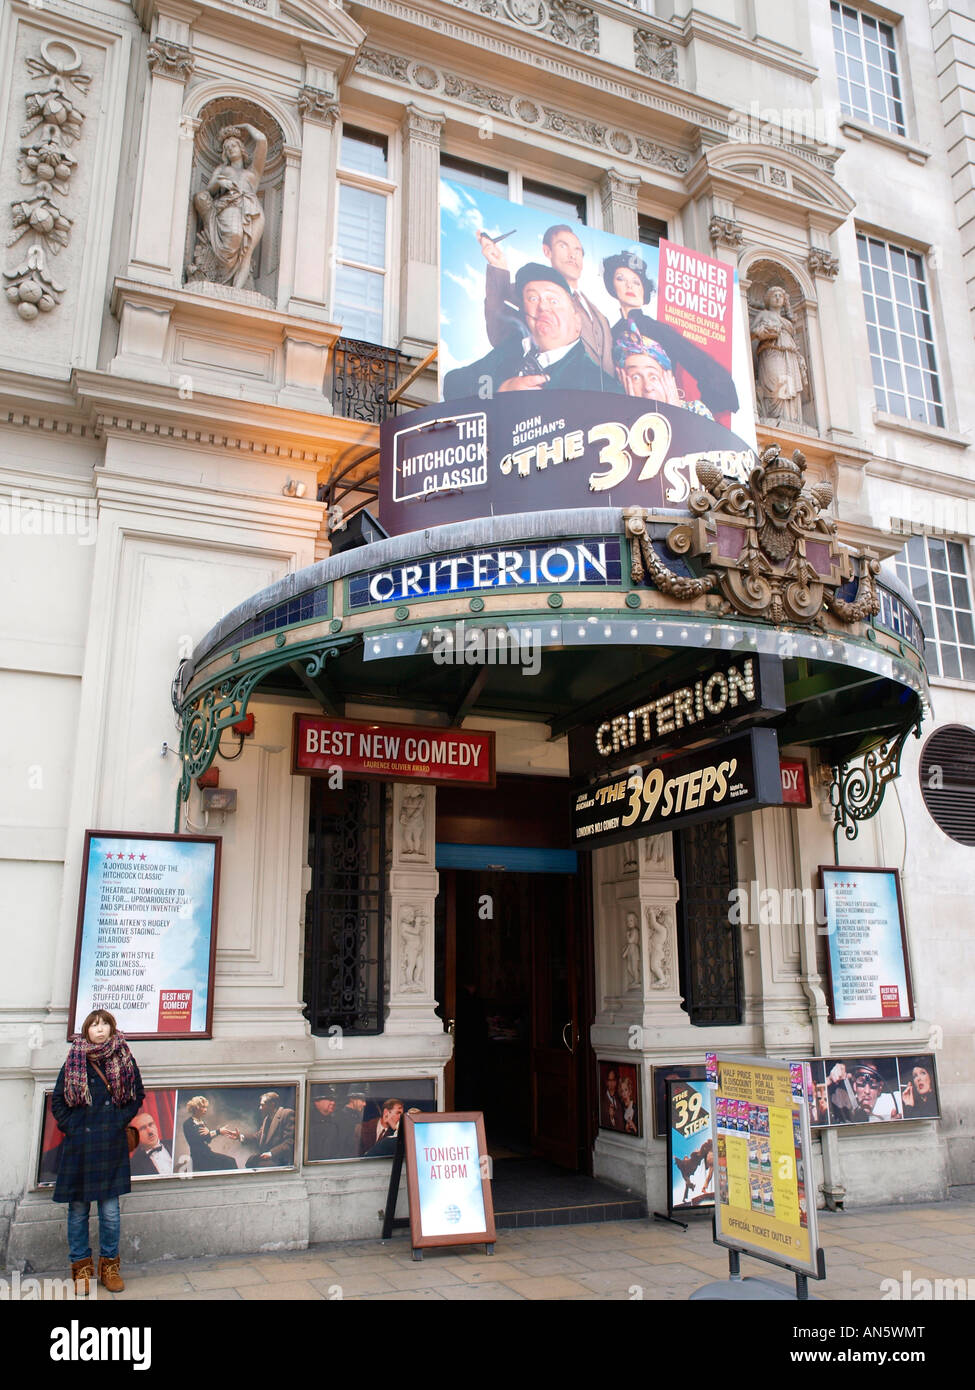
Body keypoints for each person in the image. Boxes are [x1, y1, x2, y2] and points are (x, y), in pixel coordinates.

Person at [50, 1009, 145, 1294]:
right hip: (81, 1146)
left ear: (112, 1029)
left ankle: (110, 1267)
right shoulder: (75, 1059)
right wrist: (75, 1128)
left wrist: (116, 1122)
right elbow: (58, 1102)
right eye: (94, 1025)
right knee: (78, 1210)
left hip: (109, 1144)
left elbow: (136, 1095)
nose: (100, 1029)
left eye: (104, 1024)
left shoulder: (124, 1058)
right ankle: (81, 1268)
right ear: (86, 1030)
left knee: (111, 1212)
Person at [443, 263, 622, 399]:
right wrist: (499, 390)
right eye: (533, 298)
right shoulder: (511, 350)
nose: (543, 306)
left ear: (577, 321)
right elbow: (453, 384)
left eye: (553, 300)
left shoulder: (600, 386)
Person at [602, 250, 739, 417]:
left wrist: (699, 409)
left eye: (636, 282)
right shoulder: (609, 333)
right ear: (612, 285)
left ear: (645, 289)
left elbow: (705, 366)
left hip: (667, 412)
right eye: (621, 279)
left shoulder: (661, 330)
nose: (629, 286)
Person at [479, 223, 615, 375]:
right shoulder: (525, 294)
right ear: (547, 251)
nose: (572, 255)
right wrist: (498, 266)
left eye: (577, 250)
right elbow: (499, 331)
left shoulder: (600, 316)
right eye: (563, 246)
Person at [188, 123, 267, 289]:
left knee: (246, 253)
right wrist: (220, 182)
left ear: (241, 148)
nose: (231, 149)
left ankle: (236, 290)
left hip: (252, 210)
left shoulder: (253, 172)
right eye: (227, 147)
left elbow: (261, 140)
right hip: (229, 205)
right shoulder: (222, 169)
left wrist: (246, 125)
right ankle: (223, 279)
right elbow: (209, 190)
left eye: (234, 145)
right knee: (234, 235)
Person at [182, 1095, 240, 1171]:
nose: (205, 1110)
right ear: (196, 1108)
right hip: (199, 1157)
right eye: (203, 1107)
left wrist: (211, 1133)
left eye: (206, 1107)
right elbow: (197, 1139)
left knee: (231, 1161)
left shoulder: (202, 1122)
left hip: (207, 1154)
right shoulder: (188, 1124)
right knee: (230, 1162)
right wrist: (218, 1132)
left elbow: (207, 1140)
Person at [242, 1091, 295, 1168]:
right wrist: (240, 1136)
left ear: (272, 1104)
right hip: (269, 1158)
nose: (260, 1108)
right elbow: (258, 1136)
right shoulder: (267, 1119)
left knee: (256, 1164)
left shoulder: (287, 1114)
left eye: (262, 1105)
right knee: (251, 1161)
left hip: (281, 1160)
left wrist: (271, 1153)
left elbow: (290, 1142)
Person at [129, 1110, 173, 1177]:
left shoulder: (174, 1144)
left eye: (151, 1124)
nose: (150, 1131)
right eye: (142, 1128)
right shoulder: (133, 1165)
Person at [600, 1067, 625, 1131]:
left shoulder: (620, 1099)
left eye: (613, 1080)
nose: (611, 1083)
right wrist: (611, 1118)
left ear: (616, 1082)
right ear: (606, 1082)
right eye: (609, 1080)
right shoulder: (602, 1101)